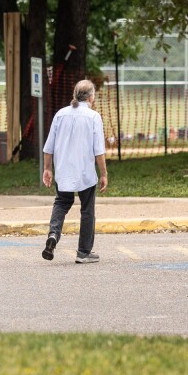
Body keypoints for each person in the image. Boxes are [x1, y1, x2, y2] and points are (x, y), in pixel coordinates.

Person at [40, 79, 108, 263]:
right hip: (85, 172)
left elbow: (49, 147)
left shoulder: (60, 115)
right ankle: (83, 252)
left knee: (61, 203)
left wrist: (47, 168)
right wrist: (103, 174)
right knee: (87, 210)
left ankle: (53, 235)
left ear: (74, 95)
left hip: (63, 170)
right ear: (91, 97)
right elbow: (99, 151)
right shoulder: (93, 117)